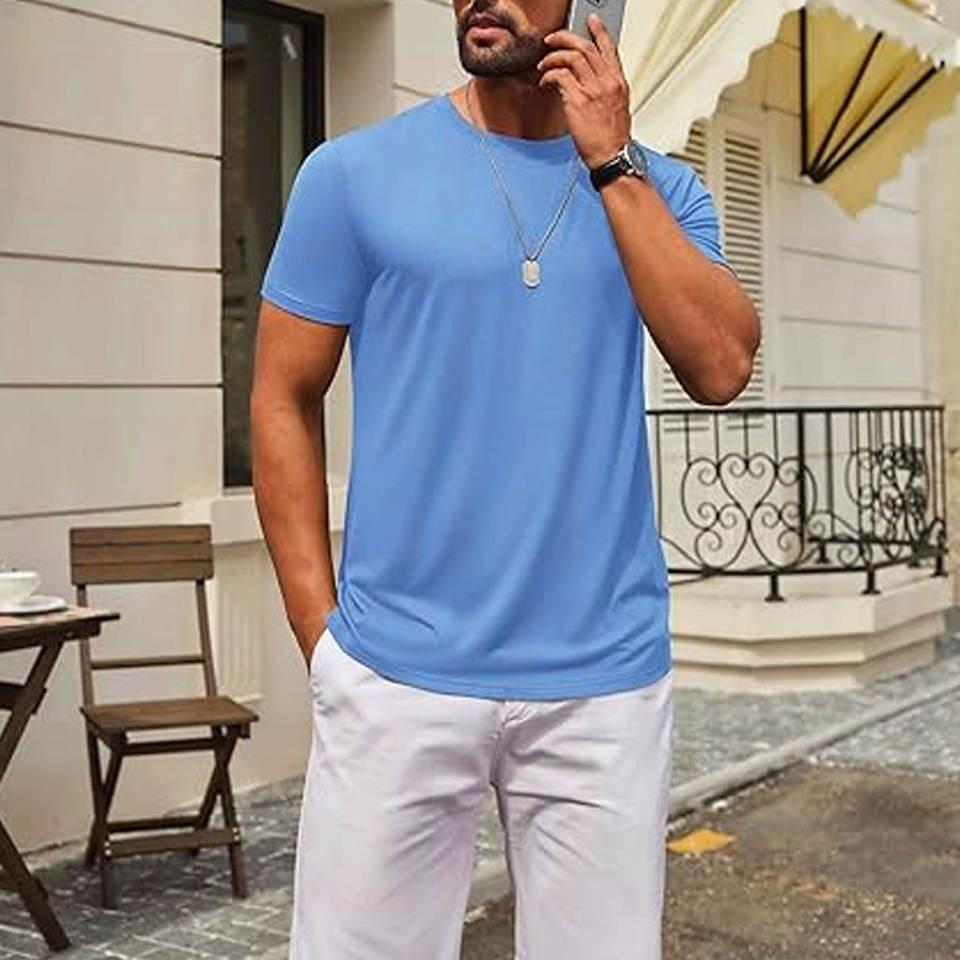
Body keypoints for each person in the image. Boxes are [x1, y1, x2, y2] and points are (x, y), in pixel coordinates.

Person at [251, 0, 760, 956]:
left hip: (601, 684)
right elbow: (283, 394)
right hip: (395, 671)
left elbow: (723, 367)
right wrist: (323, 639)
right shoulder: (352, 175)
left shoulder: (662, 191)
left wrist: (610, 161)